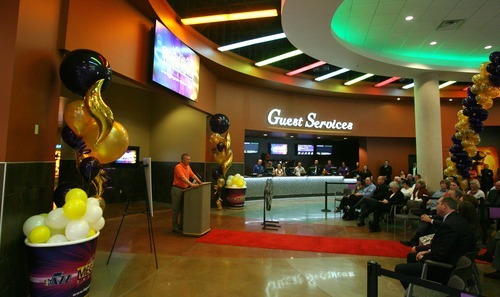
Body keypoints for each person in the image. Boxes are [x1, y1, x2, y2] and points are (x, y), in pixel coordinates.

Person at [394, 196, 477, 289]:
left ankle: (416, 292)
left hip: (445, 268)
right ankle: (416, 288)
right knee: (411, 256)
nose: (436, 207)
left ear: (444, 206)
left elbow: (440, 254)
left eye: (438, 204)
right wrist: (428, 251)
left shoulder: (449, 225)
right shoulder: (456, 220)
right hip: (452, 259)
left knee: (400, 269)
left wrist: (423, 257)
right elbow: (445, 247)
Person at [171, 153, 202, 233]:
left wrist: (200, 182)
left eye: (189, 159)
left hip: (185, 190)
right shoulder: (178, 167)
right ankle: (175, 226)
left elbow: (193, 175)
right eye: (187, 159)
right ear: (182, 160)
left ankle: (181, 225)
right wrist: (191, 184)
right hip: (177, 189)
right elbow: (183, 178)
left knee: (183, 209)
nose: (189, 161)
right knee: (176, 209)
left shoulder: (188, 167)